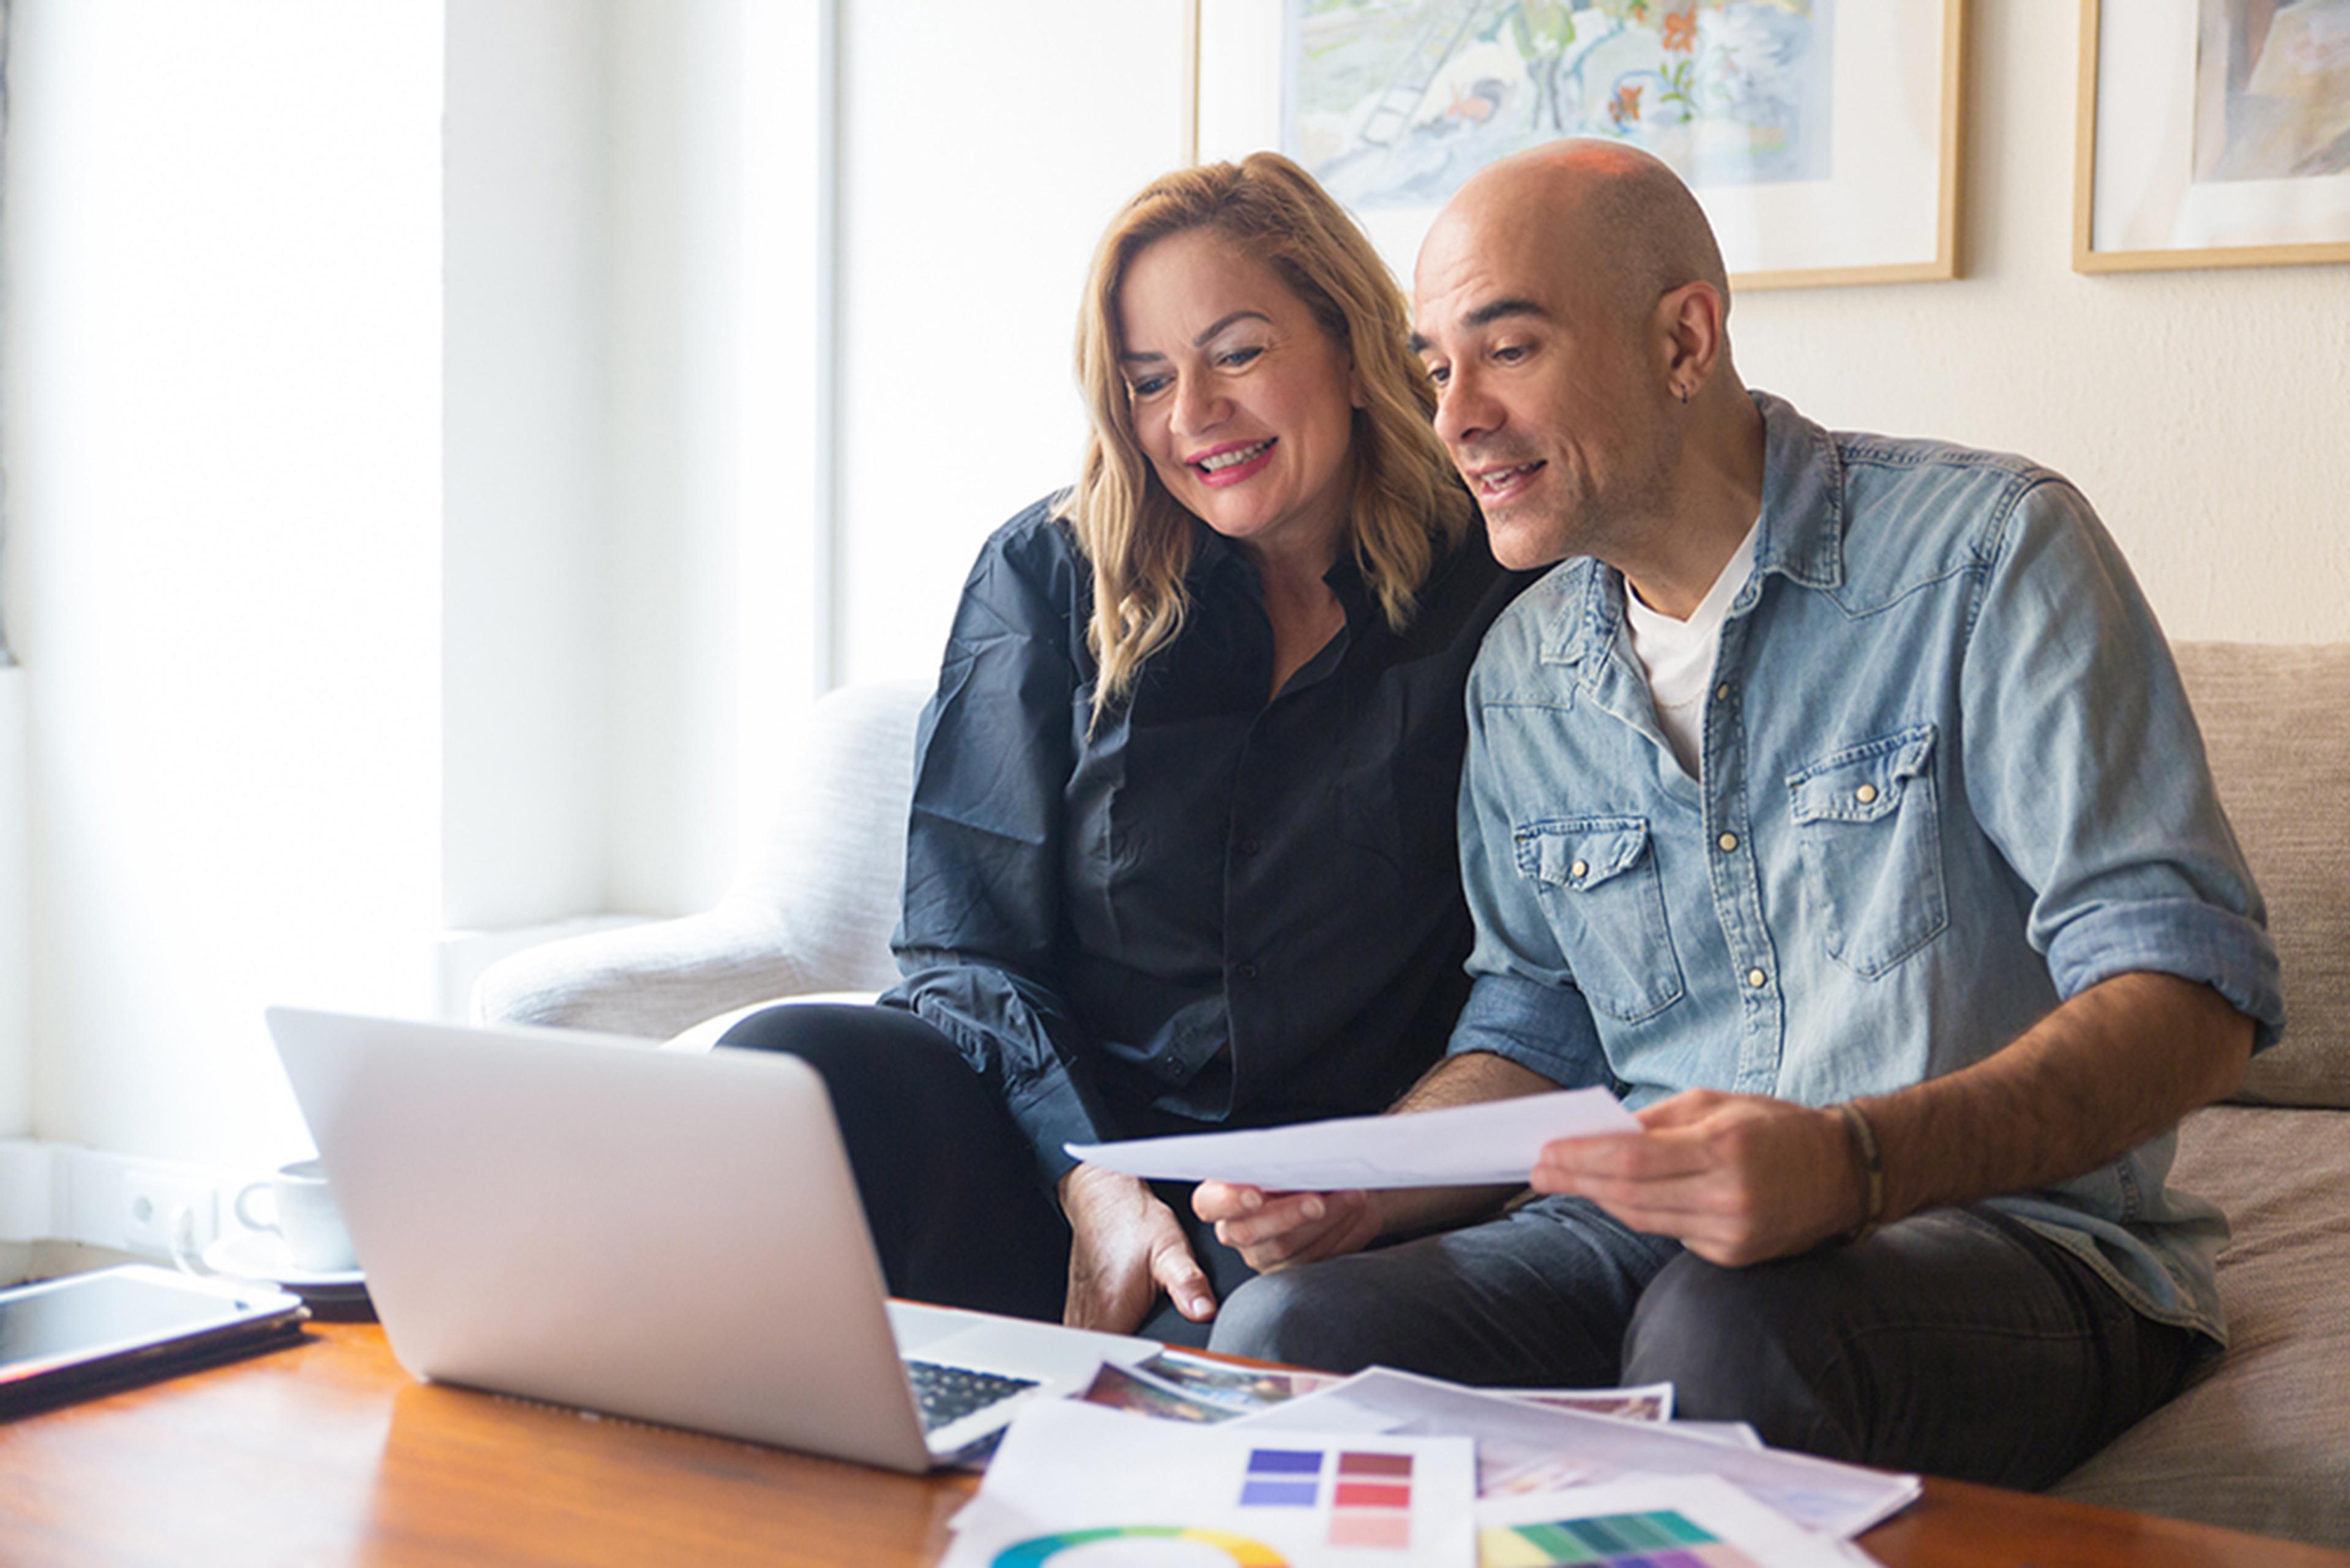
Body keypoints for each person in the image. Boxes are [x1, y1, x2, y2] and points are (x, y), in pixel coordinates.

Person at [1198, 141, 2283, 1488]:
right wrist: (1376, 1178)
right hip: (1652, 1240)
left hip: (2010, 1241)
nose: (1453, 417)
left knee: (1726, 1333)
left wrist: (1855, 1163)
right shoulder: (1523, 671)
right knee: (1289, 1328)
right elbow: (1538, 1020)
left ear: (1685, 339)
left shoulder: (1991, 555)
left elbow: (2192, 991)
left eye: (1509, 350)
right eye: (1435, 368)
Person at [719, 153, 1530, 1344]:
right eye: (1149, 380)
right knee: (784, 1064)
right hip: (1060, 1150)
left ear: (1353, 347)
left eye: (1238, 354)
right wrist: (1094, 1179)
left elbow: (1537, 980)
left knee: (1253, 1334)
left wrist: (1363, 1181)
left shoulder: (1504, 584)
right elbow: (966, 946)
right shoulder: (1045, 574)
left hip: (1320, 1192)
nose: (1192, 416)